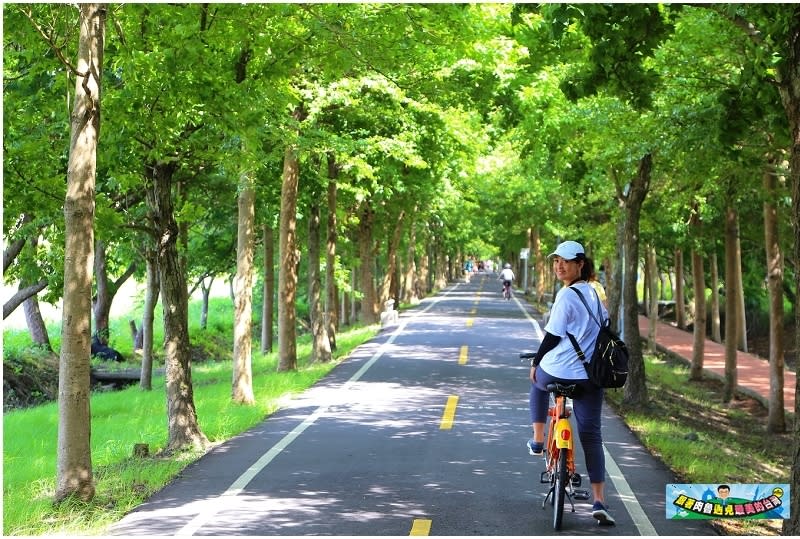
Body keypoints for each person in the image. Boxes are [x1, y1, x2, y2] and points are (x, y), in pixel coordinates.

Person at [526, 240, 615, 525]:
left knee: (537, 381)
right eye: (555, 261)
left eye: (565, 261)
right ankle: (599, 500)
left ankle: (539, 440)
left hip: (558, 372)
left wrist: (536, 361)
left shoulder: (565, 296)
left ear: (580, 264)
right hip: (590, 377)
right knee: (591, 435)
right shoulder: (594, 293)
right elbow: (606, 325)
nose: (559, 266)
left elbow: (552, 336)